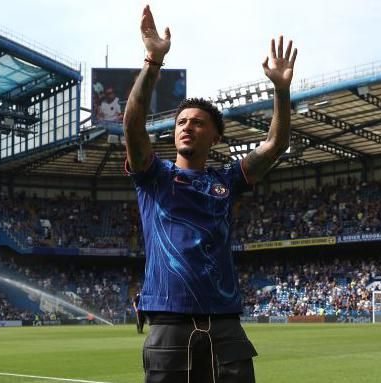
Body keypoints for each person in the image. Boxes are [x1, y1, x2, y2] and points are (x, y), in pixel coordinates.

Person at [123, 5, 297, 382]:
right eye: (182, 122)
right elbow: (133, 124)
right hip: (170, 319)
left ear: (215, 136)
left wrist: (281, 91)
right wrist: (153, 60)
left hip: (224, 320)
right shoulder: (154, 176)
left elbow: (276, 144)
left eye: (198, 123)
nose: (188, 127)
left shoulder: (228, 181)